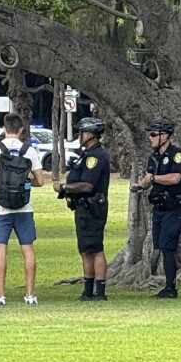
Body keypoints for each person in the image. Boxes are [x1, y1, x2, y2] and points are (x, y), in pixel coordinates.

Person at [0, 113, 48, 306]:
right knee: (27, 249)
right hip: (24, 208)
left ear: (4, 128)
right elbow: (40, 181)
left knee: (0, 250)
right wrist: (25, 183)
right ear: (21, 130)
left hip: (1, 208)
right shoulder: (30, 150)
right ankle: (30, 295)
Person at [54, 116, 111, 301]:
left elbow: (87, 185)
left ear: (90, 134)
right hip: (83, 207)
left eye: (82, 132)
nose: (79, 136)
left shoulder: (95, 157)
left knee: (95, 248)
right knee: (85, 249)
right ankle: (87, 290)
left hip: (92, 206)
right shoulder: (87, 155)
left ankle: (99, 292)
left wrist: (64, 187)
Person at [133, 119, 181, 298]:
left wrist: (153, 179)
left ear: (164, 136)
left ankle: (171, 287)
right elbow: (148, 177)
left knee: (167, 246)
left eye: (153, 135)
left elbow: (174, 178)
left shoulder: (177, 155)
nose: (150, 138)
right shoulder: (154, 157)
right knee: (161, 245)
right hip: (159, 208)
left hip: (173, 207)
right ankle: (167, 284)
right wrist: (140, 186)